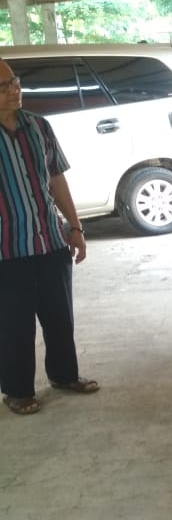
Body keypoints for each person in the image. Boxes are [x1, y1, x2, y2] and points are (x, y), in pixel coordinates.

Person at [0, 57, 99, 416]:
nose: (15, 90)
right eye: (4, 87)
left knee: (60, 316)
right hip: (7, 251)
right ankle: (17, 390)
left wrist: (75, 228)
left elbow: (57, 179)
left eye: (15, 81)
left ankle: (64, 375)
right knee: (14, 325)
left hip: (51, 241)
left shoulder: (39, 126)